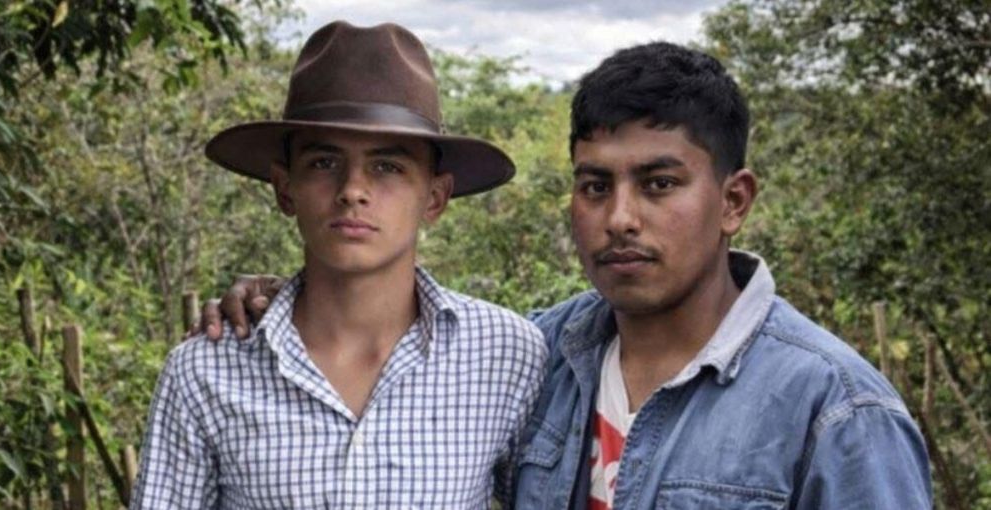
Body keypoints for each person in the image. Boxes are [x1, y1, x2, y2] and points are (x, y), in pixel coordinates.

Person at [202, 42, 932, 508]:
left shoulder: (837, 412)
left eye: (659, 184)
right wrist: (293, 305)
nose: (619, 218)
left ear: (733, 201)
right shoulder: (537, 355)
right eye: (594, 186)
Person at [132, 21, 546, 509]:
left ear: (435, 197)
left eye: (387, 166)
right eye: (324, 163)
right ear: (285, 189)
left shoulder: (507, 356)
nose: (353, 190)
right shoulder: (206, 369)